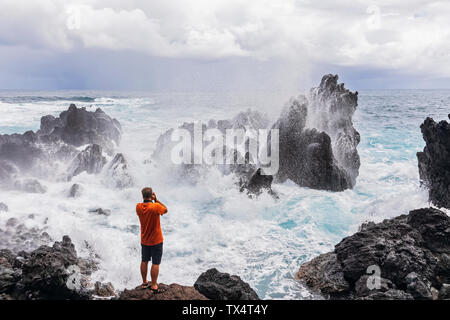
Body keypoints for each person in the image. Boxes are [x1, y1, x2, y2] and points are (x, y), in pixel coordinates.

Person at [136, 187, 168, 293]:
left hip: (144, 240)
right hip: (156, 240)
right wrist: (156, 199)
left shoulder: (138, 207)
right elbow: (165, 209)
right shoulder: (156, 207)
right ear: (151, 195)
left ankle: (144, 282)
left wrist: (151, 200)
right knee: (155, 263)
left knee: (144, 260)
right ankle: (154, 284)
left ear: (142, 196)